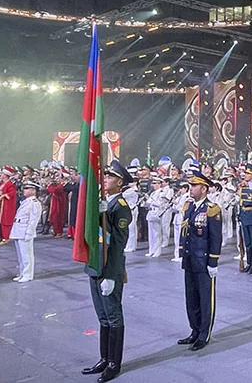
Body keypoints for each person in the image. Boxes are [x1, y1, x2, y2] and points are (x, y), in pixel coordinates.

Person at [82, 161, 133, 383]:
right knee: (103, 317)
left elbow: (118, 244)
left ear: (119, 182)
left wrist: (112, 275)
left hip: (109, 270)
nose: (104, 179)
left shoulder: (120, 206)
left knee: (113, 316)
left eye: (109, 177)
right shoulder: (104, 203)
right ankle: (104, 358)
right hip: (96, 266)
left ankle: (114, 364)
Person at [176, 171, 223, 351]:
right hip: (190, 260)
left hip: (203, 261)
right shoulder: (189, 207)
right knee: (191, 299)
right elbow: (185, 231)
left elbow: (215, 237)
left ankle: (204, 334)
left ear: (204, 188)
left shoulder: (212, 209)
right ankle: (194, 330)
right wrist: (182, 252)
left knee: (205, 299)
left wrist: (213, 262)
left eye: (194, 186)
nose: (191, 188)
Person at [10, 181, 43, 283]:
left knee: (26, 255)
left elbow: (33, 220)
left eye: (27, 188)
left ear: (33, 191)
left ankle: (28, 274)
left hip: (25, 231)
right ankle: (22, 273)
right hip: (18, 229)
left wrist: (29, 232)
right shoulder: (26, 202)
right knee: (20, 255)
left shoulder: (34, 203)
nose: (24, 190)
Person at [145, 176, 170, 258]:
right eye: (153, 183)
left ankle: (157, 251)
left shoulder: (161, 193)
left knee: (156, 234)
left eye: (155, 183)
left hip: (157, 212)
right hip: (151, 212)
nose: (153, 185)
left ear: (159, 184)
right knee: (151, 234)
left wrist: (151, 202)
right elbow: (148, 202)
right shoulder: (153, 193)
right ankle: (151, 250)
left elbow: (161, 204)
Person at [0, 166, 18, 246]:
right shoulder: (2, 184)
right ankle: (0, 236)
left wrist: (5, 195)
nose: (0, 174)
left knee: (4, 222)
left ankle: (5, 238)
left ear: (6, 175)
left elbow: (13, 193)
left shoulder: (9, 184)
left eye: (2, 173)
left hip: (6, 206)